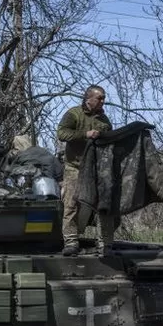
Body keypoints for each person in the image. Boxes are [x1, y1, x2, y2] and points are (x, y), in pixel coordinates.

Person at [56, 85, 113, 256]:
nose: (103, 101)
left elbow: (110, 138)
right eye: (99, 98)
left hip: (97, 169)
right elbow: (62, 133)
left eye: (104, 98)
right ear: (88, 98)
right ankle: (71, 242)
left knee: (103, 206)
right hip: (75, 167)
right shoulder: (74, 114)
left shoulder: (104, 120)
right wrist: (85, 134)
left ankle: (104, 243)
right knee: (71, 205)